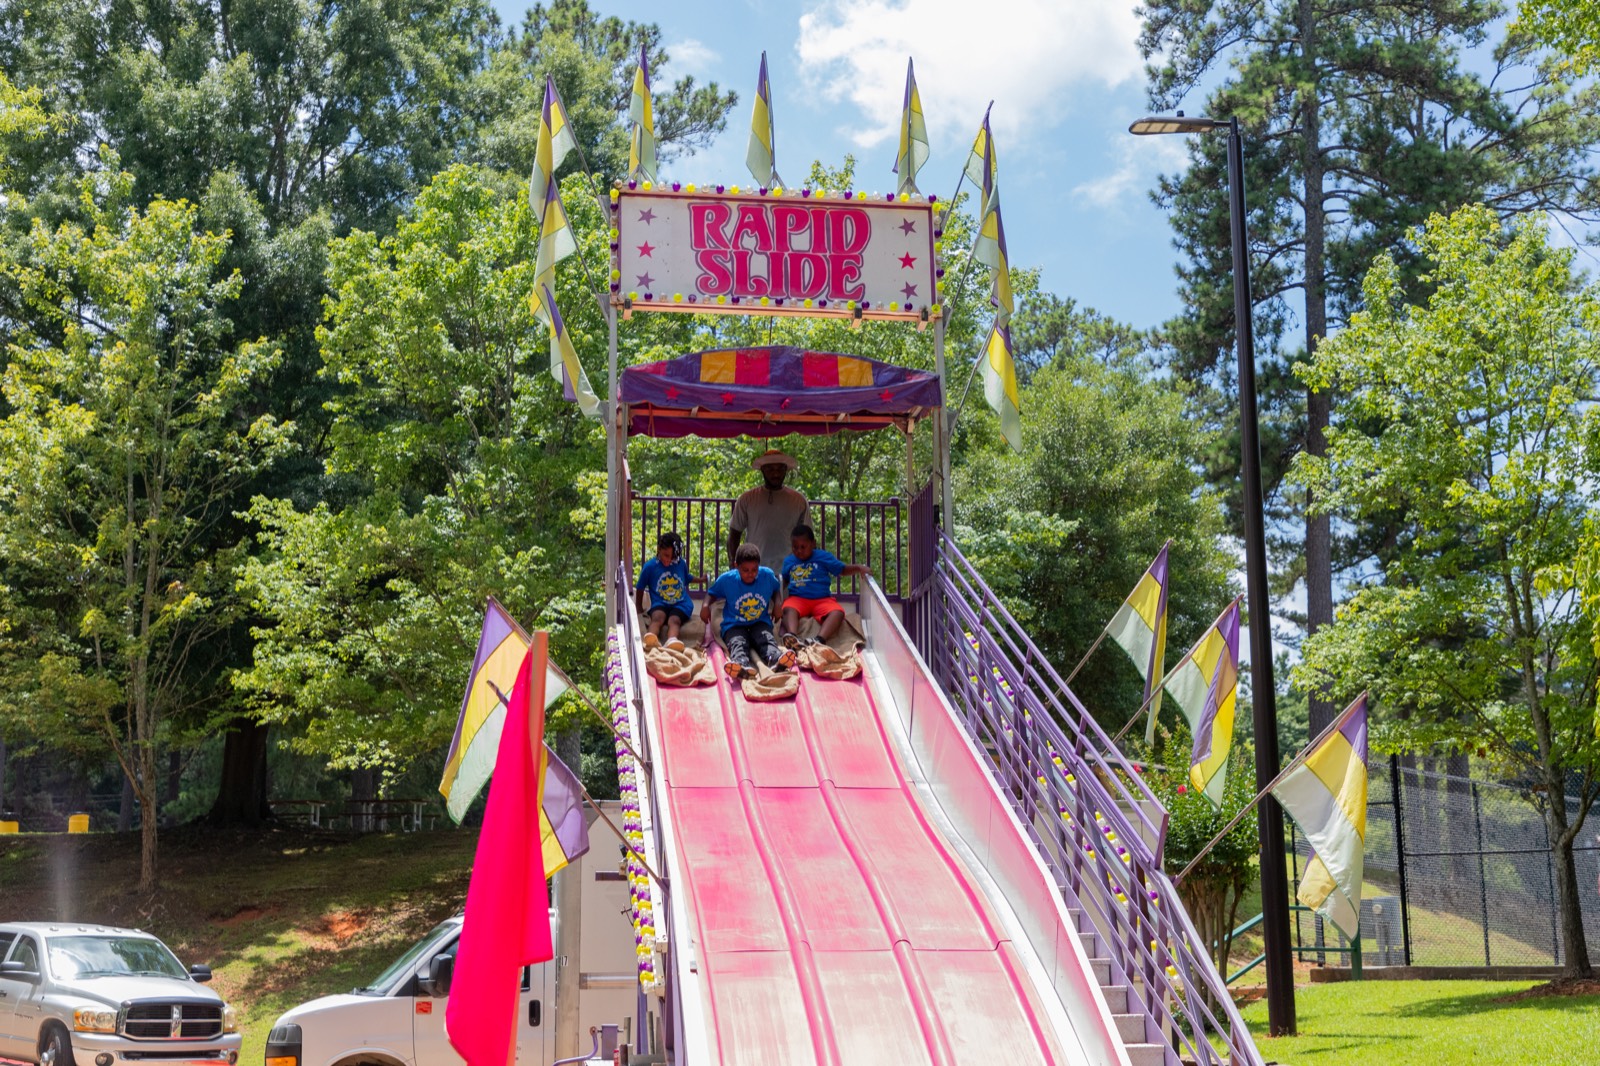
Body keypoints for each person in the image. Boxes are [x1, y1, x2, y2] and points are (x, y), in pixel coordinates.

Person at [702, 544, 797, 680]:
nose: (750, 574)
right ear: (736, 566)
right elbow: (712, 593)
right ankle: (741, 664)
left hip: (759, 621)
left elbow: (776, 590)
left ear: (759, 566)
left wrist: (777, 604)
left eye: (754, 569)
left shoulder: (767, 575)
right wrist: (705, 606)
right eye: (745, 570)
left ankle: (776, 659)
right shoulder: (727, 580)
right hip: (734, 624)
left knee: (766, 639)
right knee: (737, 642)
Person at [779, 524, 870, 647]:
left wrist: (859, 568)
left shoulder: (823, 557)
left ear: (813, 544)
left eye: (803, 547)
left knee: (837, 612)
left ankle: (820, 639)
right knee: (787, 608)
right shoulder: (789, 561)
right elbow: (784, 580)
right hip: (797, 599)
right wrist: (776, 595)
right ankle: (792, 637)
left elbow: (842, 570)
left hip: (821, 599)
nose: (799, 551)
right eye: (795, 547)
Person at [727, 448, 808, 575]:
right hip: (753, 570)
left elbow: (807, 538)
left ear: (785, 470)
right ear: (763, 470)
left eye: (780, 469)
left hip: (789, 570)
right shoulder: (747, 499)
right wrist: (734, 563)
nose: (775, 474)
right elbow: (735, 532)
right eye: (770, 469)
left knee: (785, 596)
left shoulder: (798, 500)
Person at [635, 531, 692, 650]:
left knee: (674, 620)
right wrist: (638, 607)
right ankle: (650, 638)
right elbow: (640, 587)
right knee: (657, 617)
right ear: (659, 549)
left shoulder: (681, 564)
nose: (668, 560)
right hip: (660, 603)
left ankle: (672, 640)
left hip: (680, 604)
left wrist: (701, 579)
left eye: (672, 557)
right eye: (666, 555)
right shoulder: (650, 566)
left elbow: (686, 578)